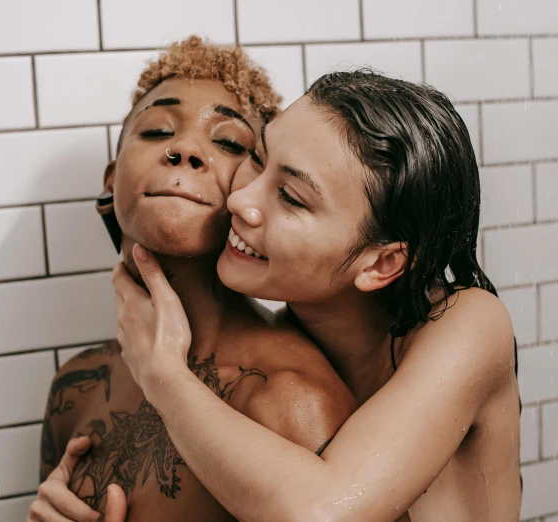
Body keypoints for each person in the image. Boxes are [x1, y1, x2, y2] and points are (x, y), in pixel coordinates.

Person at [107, 70, 523, 521]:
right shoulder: (285, 342)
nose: (240, 200)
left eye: (289, 196)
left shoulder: (468, 324)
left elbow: (322, 514)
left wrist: (160, 372)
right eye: (258, 158)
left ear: (381, 264)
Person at [28, 37, 360, 522]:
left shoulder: (291, 399)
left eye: (227, 142)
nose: (184, 148)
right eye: (157, 130)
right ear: (110, 180)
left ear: (259, 191)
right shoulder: (75, 387)